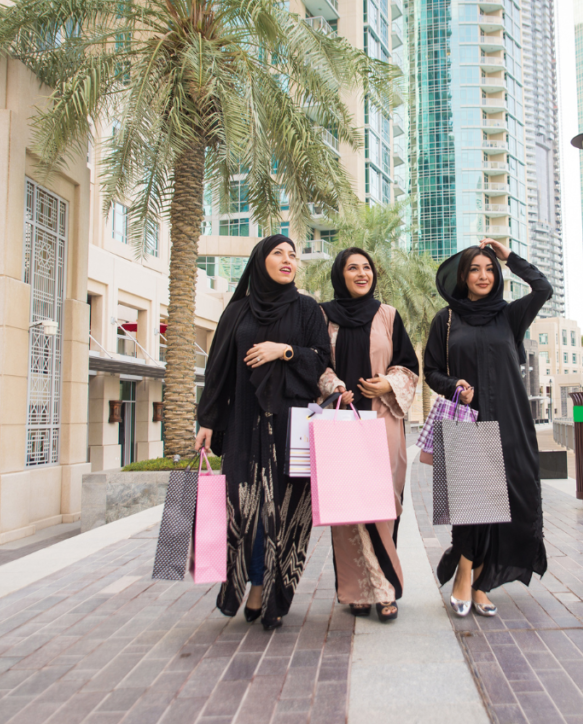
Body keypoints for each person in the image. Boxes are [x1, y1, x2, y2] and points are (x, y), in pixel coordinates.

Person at [195, 235, 330, 630]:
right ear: (260, 261)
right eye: (278, 253)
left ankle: (267, 591)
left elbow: (321, 359)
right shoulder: (236, 312)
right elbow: (217, 371)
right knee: (243, 509)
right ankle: (244, 583)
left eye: (293, 255)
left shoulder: (307, 309)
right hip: (242, 426)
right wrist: (206, 420)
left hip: (290, 428)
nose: (288, 260)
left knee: (282, 515)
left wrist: (282, 350)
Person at [423, 238, 552, 617]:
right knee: (470, 503)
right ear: (462, 277)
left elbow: (543, 287)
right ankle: (464, 575)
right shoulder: (446, 320)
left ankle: (483, 583)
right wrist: (454, 386)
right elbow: (431, 370)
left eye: (489, 269)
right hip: (467, 419)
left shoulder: (510, 315)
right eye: (475, 269)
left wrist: (509, 256)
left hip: (512, 421)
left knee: (509, 503)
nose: (483, 275)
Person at [317, 248, 420, 622]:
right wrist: (333, 385)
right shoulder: (324, 316)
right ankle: (358, 590)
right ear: (339, 274)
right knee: (347, 509)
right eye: (352, 268)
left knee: (383, 505)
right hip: (342, 420)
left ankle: (385, 586)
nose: (362, 274)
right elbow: (317, 363)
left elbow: (409, 365)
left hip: (382, 420)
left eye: (366, 268)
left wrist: (388, 383)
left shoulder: (388, 315)